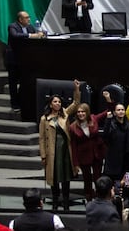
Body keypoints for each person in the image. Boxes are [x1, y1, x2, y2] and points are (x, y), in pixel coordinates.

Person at [39, 79, 81, 211]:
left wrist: (77, 90)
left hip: (65, 149)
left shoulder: (65, 114)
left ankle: (66, 201)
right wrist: (43, 155)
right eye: (55, 102)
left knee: (66, 177)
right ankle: (56, 201)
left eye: (59, 101)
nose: (57, 103)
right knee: (54, 177)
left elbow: (76, 103)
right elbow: (41, 139)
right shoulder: (44, 119)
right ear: (51, 104)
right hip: (52, 150)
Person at [6, 11, 45, 111]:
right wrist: (31, 36)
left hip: (26, 59)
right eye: (26, 18)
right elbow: (15, 36)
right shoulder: (12, 26)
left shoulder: (30, 27)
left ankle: (22, 101)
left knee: (26, 81)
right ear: (20, 19)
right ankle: (14, 104)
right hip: (13, 60)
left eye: (29, 17)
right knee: (13, 83)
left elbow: (36, 35)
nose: (29, 19)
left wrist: (41, 35)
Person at [68, 102, 106, 201]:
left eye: (83, 112)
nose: (81, 114)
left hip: (97, 153)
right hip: (83, 155)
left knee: (98, 177)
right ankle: (88, 197)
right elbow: (73, 146)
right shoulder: (73, 127)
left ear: (87, 112)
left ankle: (99, 197)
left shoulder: (93, 118)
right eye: (79, 112)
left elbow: (107, 112)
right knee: (87, 179)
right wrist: (75, 163)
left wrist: (108, 100)